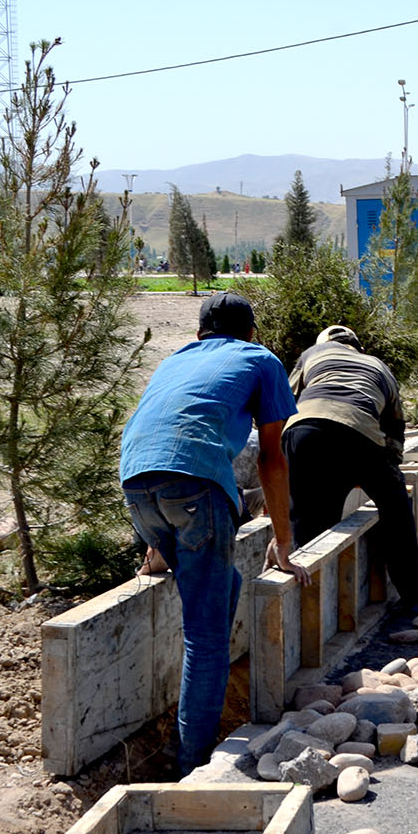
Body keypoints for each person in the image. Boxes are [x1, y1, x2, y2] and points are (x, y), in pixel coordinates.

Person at [120, 292, 308, 776]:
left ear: (200, 331)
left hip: (136, 485)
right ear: (251, 331)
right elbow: (271, 457)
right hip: (198, 487)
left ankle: (192, 738)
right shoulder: (260, 359)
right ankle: (193, 762)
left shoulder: (175, 359)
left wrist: (159, 545)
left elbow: (162, 431)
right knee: (206, 639)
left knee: (228, 587)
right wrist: (284, 544)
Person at [280, 324, 418, 617]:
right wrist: (385, 473)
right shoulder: (378, 365)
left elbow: (284, 401)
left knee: (309, 523)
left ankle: (307, 612)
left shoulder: (312, 354)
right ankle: (415, 594)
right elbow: (395, 426)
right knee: (395, 508)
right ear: (359, 349)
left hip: (304, 432)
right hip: (360, 433)